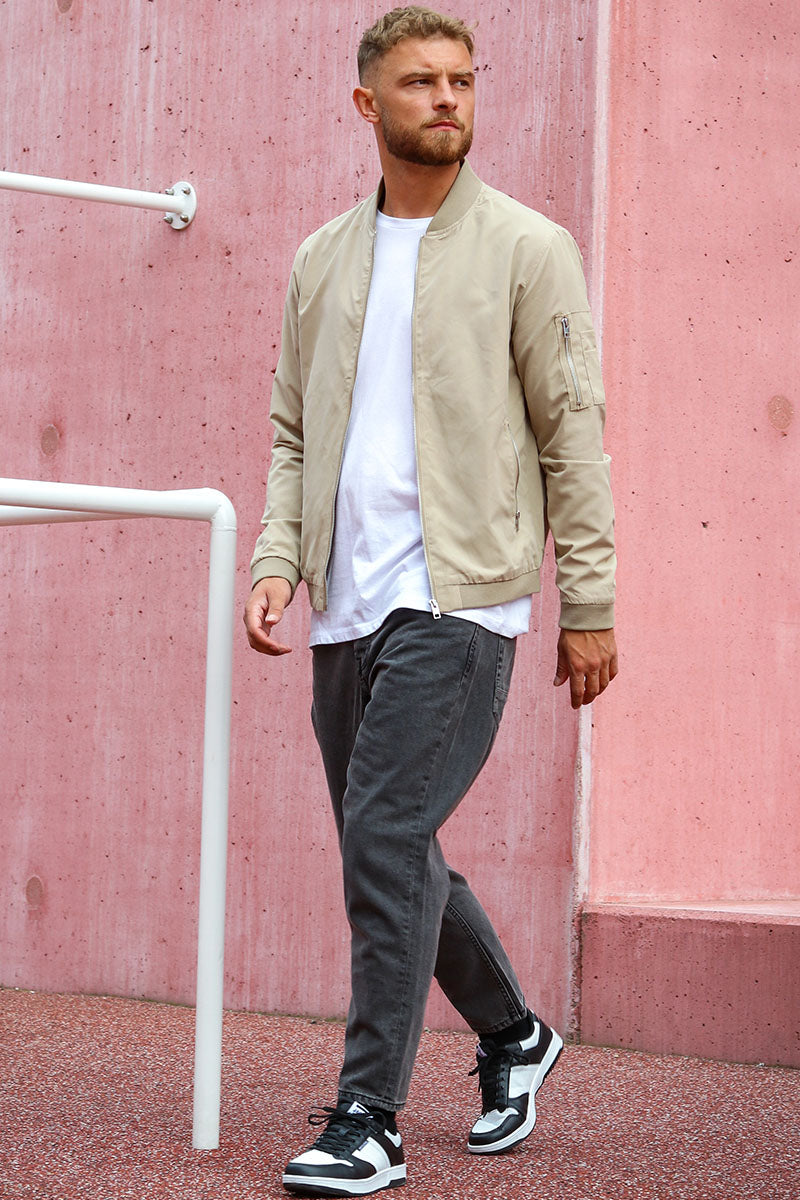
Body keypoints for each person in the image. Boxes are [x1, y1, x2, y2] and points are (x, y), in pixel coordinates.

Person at [244, 6, 617, 1195]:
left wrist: (589, 600)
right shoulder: (321, 259)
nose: (447, 98)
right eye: (418, 82)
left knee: (383, 837)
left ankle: (369, 1118)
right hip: (346, 601)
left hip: (460, 596)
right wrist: (275, 559)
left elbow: (572, 433)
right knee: (389, 842)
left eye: (460, 79)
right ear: (368, 104)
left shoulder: (526, 247)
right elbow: (293, 431)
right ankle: (512, 1032)